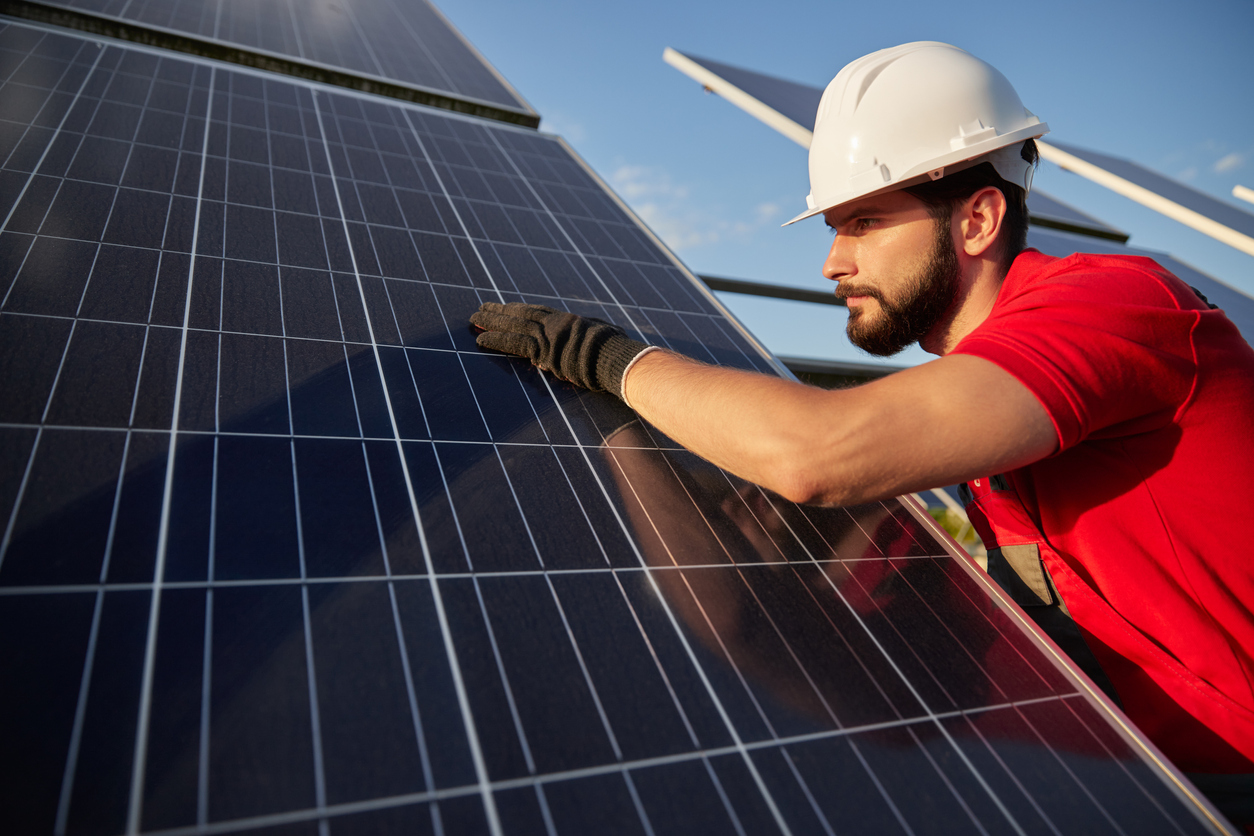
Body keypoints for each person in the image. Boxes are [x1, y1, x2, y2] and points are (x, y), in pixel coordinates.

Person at [470, 41, 1254, 813]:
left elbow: (819, 453)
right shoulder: (995, 391)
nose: (832, 263)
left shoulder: (1112, 306)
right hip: (1162, 778)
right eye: (833, 228)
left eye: (866, 222)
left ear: (977, 218)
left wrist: (602, 358)